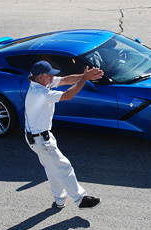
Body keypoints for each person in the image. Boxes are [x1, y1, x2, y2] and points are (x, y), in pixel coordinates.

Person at [25, 61, 104, 209]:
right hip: (40, 140)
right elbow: (68, 95)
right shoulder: (39, 93)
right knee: (63, 167)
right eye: (50, 74)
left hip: (39, 137)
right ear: (41, 77)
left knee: (52, 168)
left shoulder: (41, 82)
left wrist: (86, 76)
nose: (53, 77)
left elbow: (65, 80)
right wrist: (85, 79)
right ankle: (81, 199)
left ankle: (59, 200)